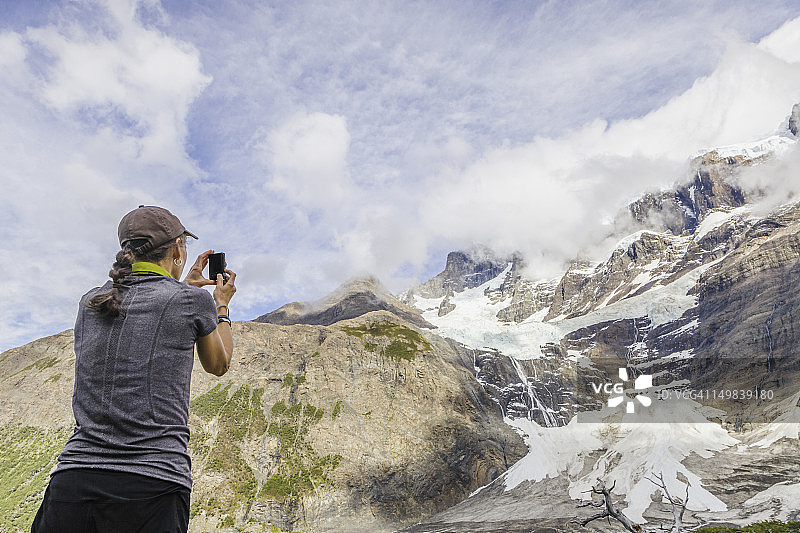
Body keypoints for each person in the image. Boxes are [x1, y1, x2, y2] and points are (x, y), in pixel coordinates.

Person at [31, 205, 237, 533]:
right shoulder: (191, 301)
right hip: (151, 486)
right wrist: (220, 304)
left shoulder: (90, 301)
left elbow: (147, 307)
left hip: (73, 483)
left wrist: (184, 287)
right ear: (177, 250)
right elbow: (219, 365)